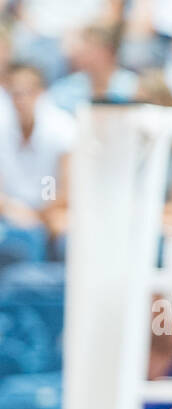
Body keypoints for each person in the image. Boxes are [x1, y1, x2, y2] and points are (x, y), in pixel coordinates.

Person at [0, 63, 76, 263]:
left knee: (62, 227)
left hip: (49, 211)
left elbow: (65, 190)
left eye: (28, 92)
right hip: (10, 211)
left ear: (41, 93)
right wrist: (11, 208)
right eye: (16, 93)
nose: (21, 100)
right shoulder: (3, 127)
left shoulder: (61, 128)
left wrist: (40, 214)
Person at [46, 23, 140, 113]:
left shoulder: (134, 86)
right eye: (85, 50)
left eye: (92, 50)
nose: (85, 56)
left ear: (109, 51)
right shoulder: (66, 88)